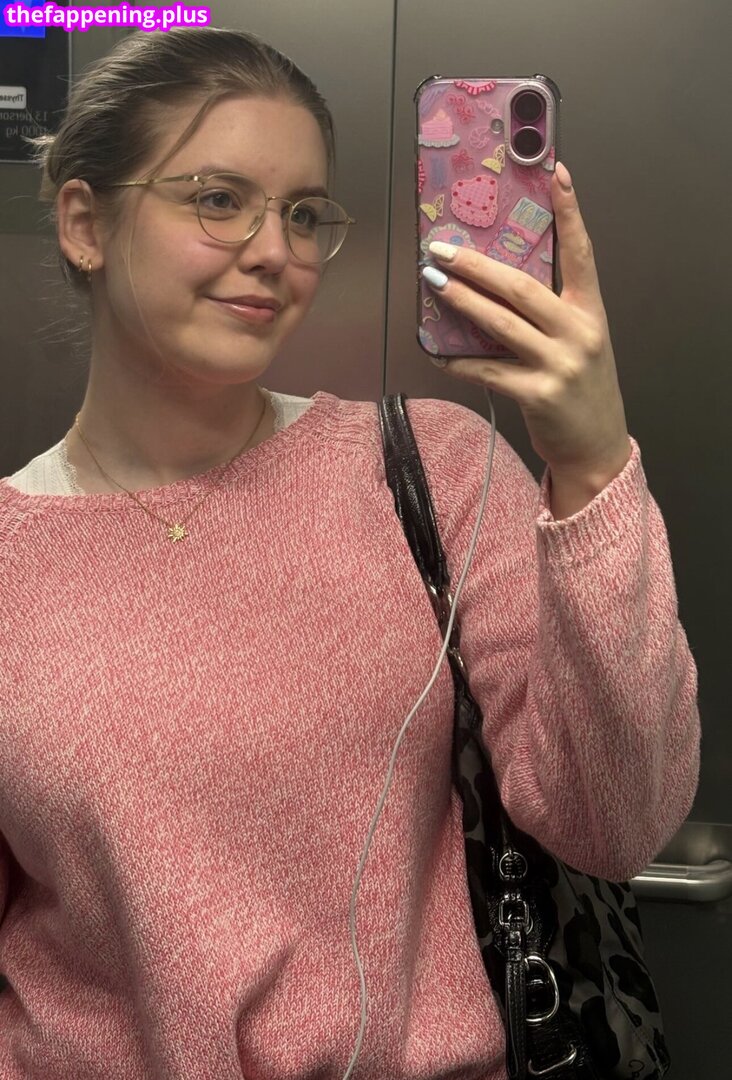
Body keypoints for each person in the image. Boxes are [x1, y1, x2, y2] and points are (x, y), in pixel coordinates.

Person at [0, 25, 699, 1080]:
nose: (273, 251)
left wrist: (592, 460)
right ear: (85, 223)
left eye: (302, 213)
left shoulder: (433, 469)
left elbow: (618, 822)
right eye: (219, 199)